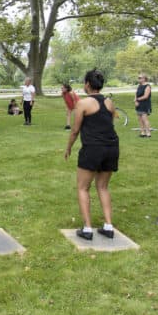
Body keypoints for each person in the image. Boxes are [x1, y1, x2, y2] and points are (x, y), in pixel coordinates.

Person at [64, 70, 119, 241]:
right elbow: (109, 124)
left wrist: (68, 148)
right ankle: (108, 226)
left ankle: (87, 229)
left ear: (87, 84)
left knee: (83, 187)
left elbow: (75, 130)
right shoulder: (109, 102)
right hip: (112, 147)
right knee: (102, 187)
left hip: (93, 149)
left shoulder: (83, 103)